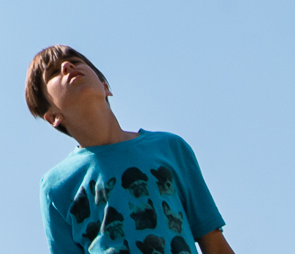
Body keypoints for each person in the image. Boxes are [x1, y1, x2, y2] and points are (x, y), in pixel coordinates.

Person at [25, 46, 235, 254]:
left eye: (76, 61)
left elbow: (215, 244)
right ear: (52, 117)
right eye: (53, 72)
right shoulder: (56, 186)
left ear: (105, 86)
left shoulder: (169, 148)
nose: (67, 66)